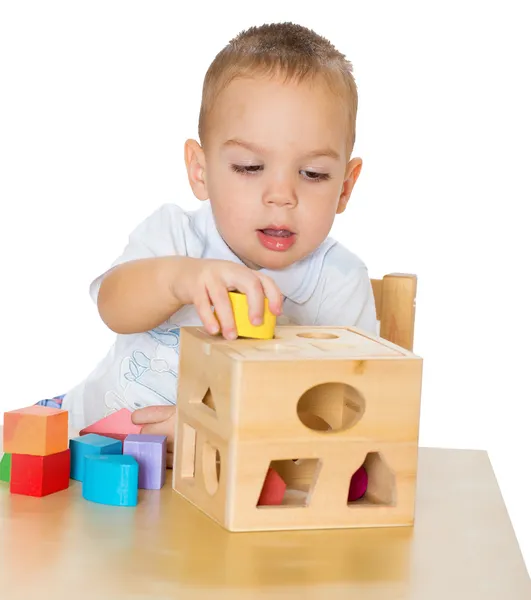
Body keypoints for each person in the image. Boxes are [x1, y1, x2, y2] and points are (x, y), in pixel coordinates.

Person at [37, 22, 377, 466]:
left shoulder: (338, 282)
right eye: (250, 167)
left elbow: (351, 413)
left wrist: (216, 430)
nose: (281, 195)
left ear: (346, 187)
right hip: (82, 437)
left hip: (215, 477)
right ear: (200, 170)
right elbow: (113, 308)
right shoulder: (177, 234)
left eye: (313, 174)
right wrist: (181, 278)